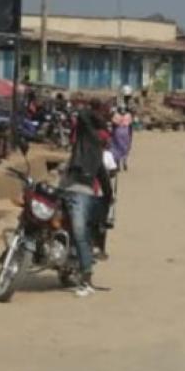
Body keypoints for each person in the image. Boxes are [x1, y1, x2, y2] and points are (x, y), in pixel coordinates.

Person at [62, 103, 114, 297]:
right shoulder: (96, 148)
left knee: (80, 234)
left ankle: (87, 281)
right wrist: (109, 199)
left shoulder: (87, 138)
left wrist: (90, 111)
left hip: (77, 191)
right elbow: (105, 180)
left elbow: (82, 114)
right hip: (70, 188)